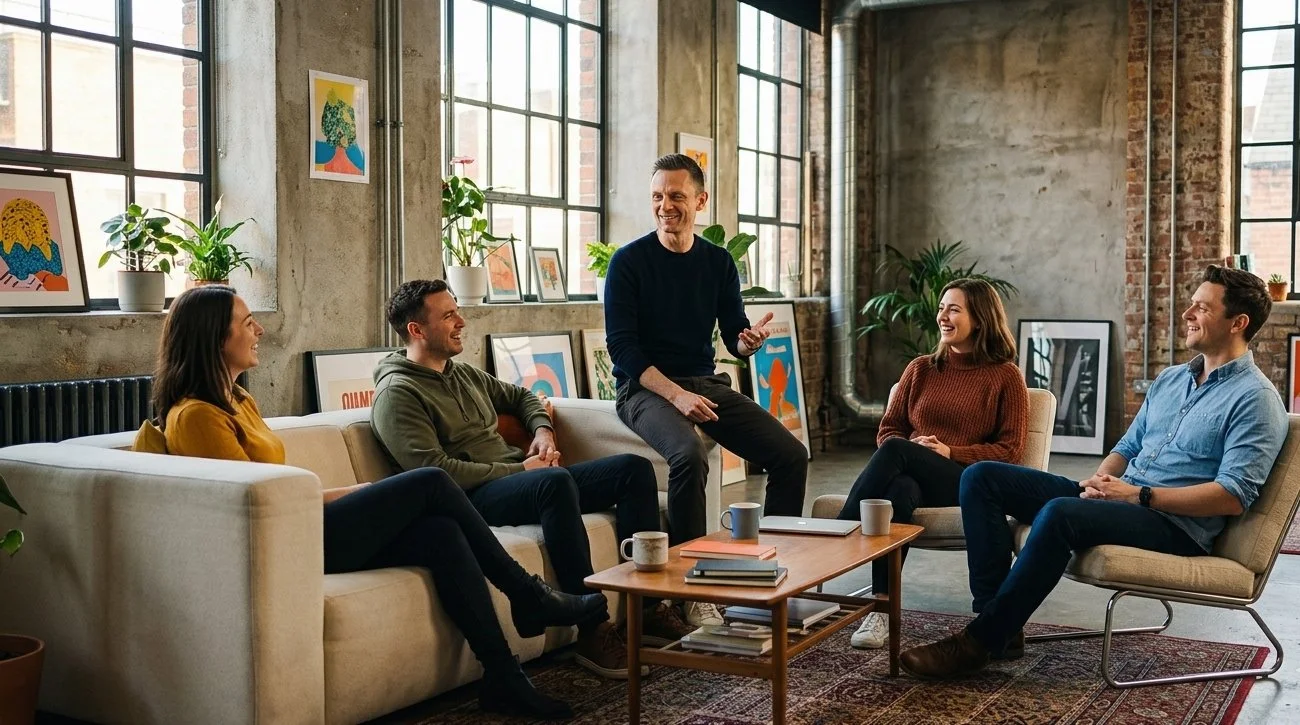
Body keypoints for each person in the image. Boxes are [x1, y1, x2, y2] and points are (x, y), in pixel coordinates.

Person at [131, 285, 604, 721]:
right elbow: (250, 511)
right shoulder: (196, 416)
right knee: (433, 481)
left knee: (441, 533)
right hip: (289, 543)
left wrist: (356, 492)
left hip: (299, 521)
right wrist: (351, 495)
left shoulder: (236, 400)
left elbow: (279, 491)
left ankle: (503, 677)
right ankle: (529, 594)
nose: (259, 329)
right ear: (214, 338)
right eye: (246, 321)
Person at [900, 265, 1289, 679]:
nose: (1188, 313)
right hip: (1125, 497)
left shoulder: (1255, 399)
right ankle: (1001, 626)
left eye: (1201, 307)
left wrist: (1138, 496)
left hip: (1174, 524)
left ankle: (977, 643)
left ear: (1238, 323)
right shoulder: (1174, 378)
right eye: (1191, 303)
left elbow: (1231, 495)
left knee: (1060, 513)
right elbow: (1127, 446)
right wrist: (1101, 481)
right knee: (982, 477)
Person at [369, 279, 691, 680]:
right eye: (448, 315)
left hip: (520, 480)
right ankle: (592, 628)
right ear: (416, 330)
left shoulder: (463, 374)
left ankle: (648, 609)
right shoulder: (398, 394)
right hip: (472, 499)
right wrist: (521, 471)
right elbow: (436, 473)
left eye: (457, 310)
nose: (461, 321)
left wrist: (543, 432)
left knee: (631, 470)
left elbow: (522, 398)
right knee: (552, 483)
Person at [605, 153, 810, 627]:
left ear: (700, 200)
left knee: (790, 455)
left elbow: (734, 333)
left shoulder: (717, 262)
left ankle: (768, 572)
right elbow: (624, 351)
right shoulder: (629, 263)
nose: (665, 206)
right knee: (688, 455)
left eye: (675, 196)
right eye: (657, 196)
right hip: (644, 390)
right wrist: (676, 396)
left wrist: (746, 342)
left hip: (705, 383)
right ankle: (689, 591)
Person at [837, 279, 1028, 650]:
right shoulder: (921, 369)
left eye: (954, 309)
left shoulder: (1006, 377)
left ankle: (836, 538)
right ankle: (882, 608)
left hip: (966, 483)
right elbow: (890, 429)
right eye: (942, 307)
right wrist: (918, 446)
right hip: (916, 476)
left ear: (981, 318)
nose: (942, 315)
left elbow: (1010, 452)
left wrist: (949, 452)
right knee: (900, 488)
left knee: (896, 452)